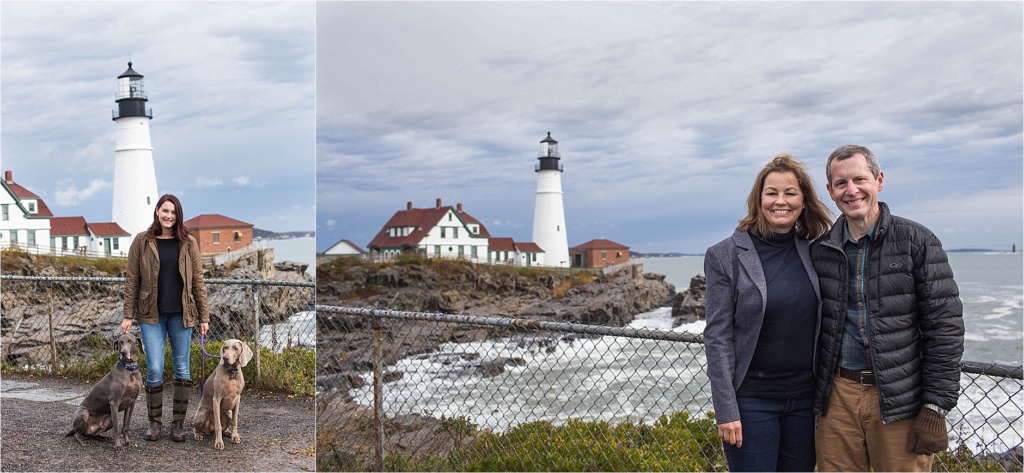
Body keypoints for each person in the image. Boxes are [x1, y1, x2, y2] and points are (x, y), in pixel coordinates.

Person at [811, 144, 964, 471]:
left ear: (879, 180)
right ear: (830, 191)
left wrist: (936, 407)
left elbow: (945, 329)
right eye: (841, 183)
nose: (851, 190)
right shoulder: (821, 249)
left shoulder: (917, 242)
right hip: (837, 397)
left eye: (859, 179)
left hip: (899, 400)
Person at [704, 153, 833, 471]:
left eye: (790, 193)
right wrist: (726, 411)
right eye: (772, 192)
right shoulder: (726, 255)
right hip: (751, 402)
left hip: (805, 403)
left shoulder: (816, 250)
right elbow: (717, 336)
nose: (781, 201)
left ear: (803, 201)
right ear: (758, 199)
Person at [120, 194, 210, 442]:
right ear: (157, 210)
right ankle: (154, 424)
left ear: (178, 215)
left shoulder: (189, 243)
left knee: (182, 368)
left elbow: (198, 282)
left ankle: (179, 425)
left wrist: (204, 316)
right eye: (165, 210)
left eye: (173, 212)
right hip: (151, 315)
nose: (169, 216)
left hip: (183, 314)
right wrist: (128, 314)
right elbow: (132, 280)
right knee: (155, 368)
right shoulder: (142, 241)